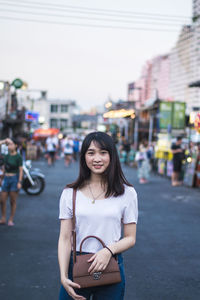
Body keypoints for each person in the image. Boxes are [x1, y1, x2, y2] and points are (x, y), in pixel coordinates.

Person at [58, 131, 138, 300]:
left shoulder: (127, 193)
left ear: (111, 156)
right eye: (91, 153)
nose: (97, 159)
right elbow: (64, 238)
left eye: (103, 152)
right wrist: (64, 276)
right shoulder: (69, 193)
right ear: (83, 157)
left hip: (110, 265)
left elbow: (130, 238)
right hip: (77, 266)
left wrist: (108, 250)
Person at [0, 138, 23, 226]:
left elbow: (21, 170)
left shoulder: (18, 157)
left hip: (14, 179)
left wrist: (19, 182)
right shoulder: (6, 156)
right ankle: (3, 218)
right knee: (2, 200)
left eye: (11, 144)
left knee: (12, 201)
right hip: (6, 178)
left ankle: (11, 219)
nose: (9, 146)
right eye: (9, 145)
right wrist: (5, 141)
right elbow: (4, 168)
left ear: (15, 146)